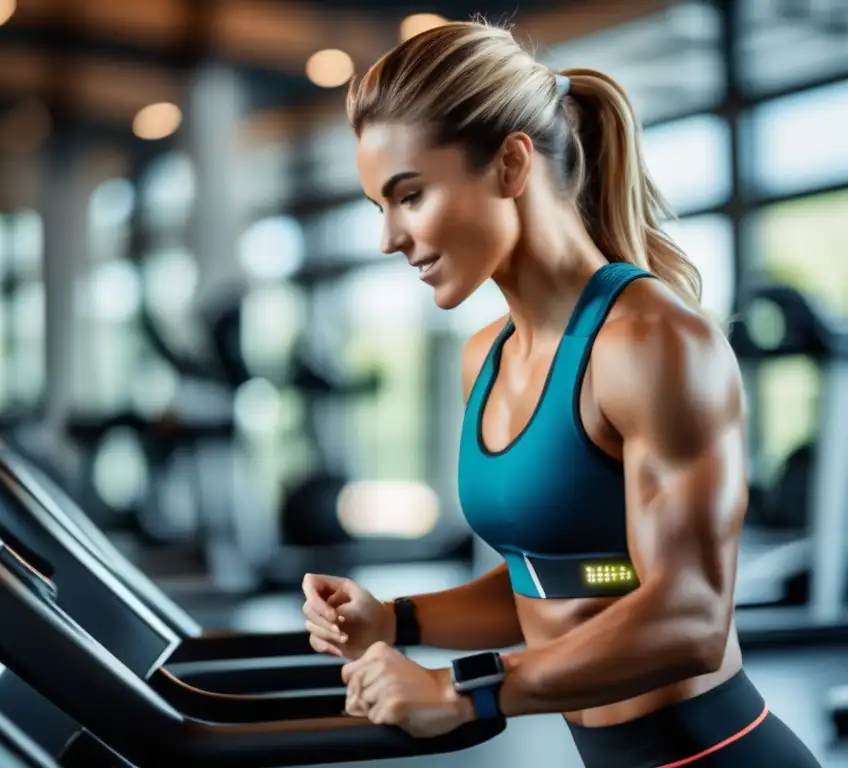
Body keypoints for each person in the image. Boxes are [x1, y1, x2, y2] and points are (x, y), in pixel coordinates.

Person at [300, 19, 822, 768]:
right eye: (377, 207)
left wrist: (465, 692)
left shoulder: (650, 342)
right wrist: (395, 619)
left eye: (408, 196)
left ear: (512, 164)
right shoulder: (485, 357)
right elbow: (548, 580)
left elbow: (691, 616)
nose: (389, 237)